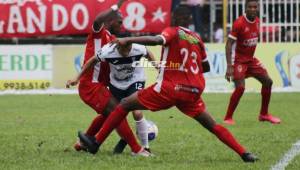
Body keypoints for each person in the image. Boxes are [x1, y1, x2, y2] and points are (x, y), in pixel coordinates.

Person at [78, 5, 258, 162]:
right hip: (193, 91)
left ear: (174, 17)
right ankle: (244, 153)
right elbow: (206, 66)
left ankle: (96, 143)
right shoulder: (196, 38)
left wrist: (129, 39)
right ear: (190, 20)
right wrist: (183, 68)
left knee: (124, 105)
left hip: (169, 89)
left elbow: (157, 41)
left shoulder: (172, 31)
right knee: (213, 126)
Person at [67, 0, 151, 156]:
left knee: (112, 113)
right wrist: (116, 6)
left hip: (101, 85)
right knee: (116, 111)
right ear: (110, 21)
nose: (122, 25)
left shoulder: (112, 39)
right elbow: (98, 20)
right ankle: (137, 149)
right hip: (91, 86)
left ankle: (83, 142)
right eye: (119, 22)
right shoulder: (98, 33)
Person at [223, 0, 281, 125]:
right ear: (246, 8)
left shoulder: (258, 21)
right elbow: (228, 45)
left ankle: (264, 114)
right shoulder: (239, 23)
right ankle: (228, 117)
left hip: (251, 60)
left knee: (268, 82)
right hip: (239, 61)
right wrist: (229, 66)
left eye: (255, 7)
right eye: (250, 7)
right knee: (240, 88)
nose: (253, 9)